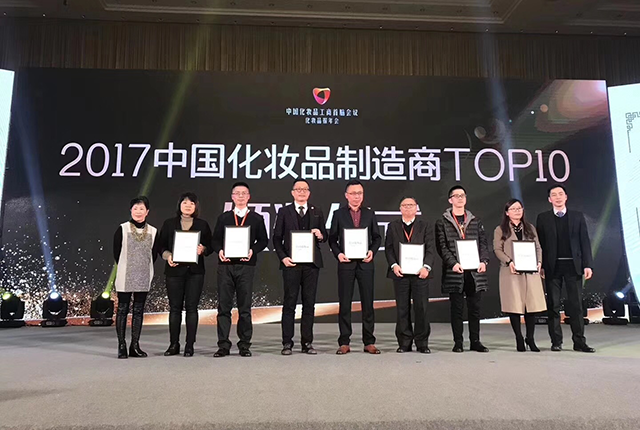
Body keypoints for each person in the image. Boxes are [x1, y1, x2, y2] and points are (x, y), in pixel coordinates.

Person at [211, 182, 269, 358]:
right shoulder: (224, 218)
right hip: (226, 266)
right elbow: (215, 240)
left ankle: (244, 345)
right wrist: (220, 251)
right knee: (224, 307)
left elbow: (263, 240)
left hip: (246, 266)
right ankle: (223, 345)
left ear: (249, 197)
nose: (241, 196)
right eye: (237, 193)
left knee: (245, 307)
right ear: (232, 197)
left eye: (244, 193)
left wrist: (252, 251)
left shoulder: (256, 218)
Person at [536, 185, 595, 353]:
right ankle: (556, 341)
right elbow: (540, 244)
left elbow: (584, 241)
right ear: (549, 199)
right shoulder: (543, 218)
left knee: (576, 305)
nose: (558, 197)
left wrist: (588, 264)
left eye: (560, 194)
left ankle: (579, 342)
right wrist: (541, 264)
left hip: (573, 266)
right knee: (553, 305)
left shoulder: (577, 216)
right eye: (554, 195)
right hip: (552, 267)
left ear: (566, 197)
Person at [272, 179, 328, 355]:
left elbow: (325, 236)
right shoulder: (284, 211)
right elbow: (276, 238)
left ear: (309, 193)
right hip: (292, 263)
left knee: (309, 304)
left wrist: (320, 235)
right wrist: (283, 257)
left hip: (311, 264)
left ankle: (307, 343)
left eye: (305, 189)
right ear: (292, 192)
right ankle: (287, 343)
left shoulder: (317, 211)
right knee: (289, 303)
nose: (302, 192)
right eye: (298, 189)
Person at [329, 180, 382, 355]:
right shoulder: (338, 214)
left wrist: (372, 252)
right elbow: (332, 239)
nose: (356, 196)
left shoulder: (369, 213)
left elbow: (377, 237)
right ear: (346, 195)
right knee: (345, 303)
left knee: (368, 303)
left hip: (366, 264)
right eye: (353, 193)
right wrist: (338, 254)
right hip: (346, 264)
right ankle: (344, 341)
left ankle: (369, 341)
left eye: (359, 193)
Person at [435, 185, 490, 353]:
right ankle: (458, 342)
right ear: (450, 200)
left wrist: (484, 261)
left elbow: (483, 243)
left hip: (474, 272)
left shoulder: (475, 220)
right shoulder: (442, 222)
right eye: (456, 196)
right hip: (455, 271)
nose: (460, 198)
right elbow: (442, 247)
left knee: (475, 309)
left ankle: (475, 341)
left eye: (462, 195)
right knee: (457, 309)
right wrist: (453, 263)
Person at [158, 192, 213, 357]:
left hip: (195, 272)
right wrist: (168, 256)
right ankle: (173, 344)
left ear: (196, 206)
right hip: (174, 271)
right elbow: (160, 246)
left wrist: (203, 249)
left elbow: (211, 246)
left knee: (192, 308)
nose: (188, 206)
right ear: (179, 205)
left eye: (191, 203)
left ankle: (190, 345)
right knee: (175, 309)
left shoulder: (202, 225)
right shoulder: (169, 224)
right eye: (185, 203)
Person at [493, 198, 546, 352]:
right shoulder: (500, 229)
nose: (517, 211)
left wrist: (539, 262)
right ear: (507, 212)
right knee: (514, 306)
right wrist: (509, 261)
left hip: (530, 272)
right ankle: (519, 337)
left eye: (519, 208)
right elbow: (497, 249)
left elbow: (538, 247)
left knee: (531, 307)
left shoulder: (530, 228)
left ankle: (531, 338)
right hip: (511, 272)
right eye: (513, 209)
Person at [384, 197, 435, 354]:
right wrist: (394, 265)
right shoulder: (393, 226)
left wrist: (426, 267)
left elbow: (431, 248)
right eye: (405, 205)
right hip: (400, 273)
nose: (408, 208)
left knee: (421, 308)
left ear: (416, 208)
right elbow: (389, 248)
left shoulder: (425, 225)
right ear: (400, 208)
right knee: (402, 308)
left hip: (420, 273)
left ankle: (422, 342)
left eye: (411, 205)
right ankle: (404, 342)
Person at [113, 196, 159, 359]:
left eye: (141, 208)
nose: (138, 211)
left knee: (138, 310)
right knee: (122, 309)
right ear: (130, 210)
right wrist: (129, 266)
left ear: (147, 212)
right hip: (125, 274)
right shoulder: (122, 228)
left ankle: (135, 345)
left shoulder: (153, 231)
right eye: (135, 208)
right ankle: (121, 345)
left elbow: (154, 255)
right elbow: (116, 253)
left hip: (143, 274)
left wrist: (141, 267)